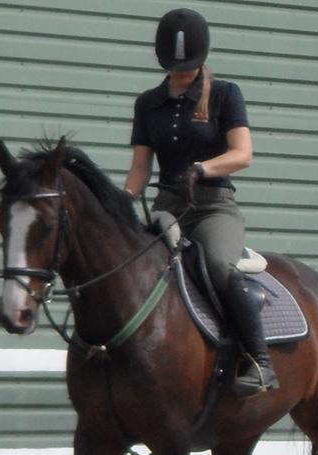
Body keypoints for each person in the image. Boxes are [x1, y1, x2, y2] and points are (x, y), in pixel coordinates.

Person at [123, 7, 278, 398]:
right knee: (129, 268)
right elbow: (140, 170)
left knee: (219, 265)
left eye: (189, 66)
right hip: (168, 207)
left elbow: (242, 154)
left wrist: (201, 168)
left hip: (213, 206)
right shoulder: (147, 104)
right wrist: (120, 201)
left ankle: (260, 362)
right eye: (176, 67)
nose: (182, 73)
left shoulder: (226, 94)